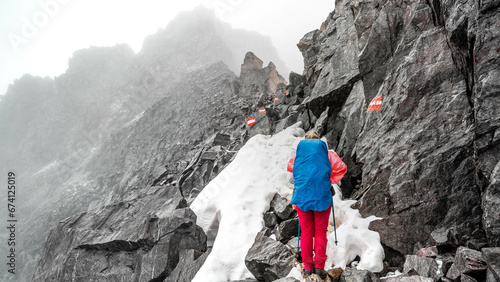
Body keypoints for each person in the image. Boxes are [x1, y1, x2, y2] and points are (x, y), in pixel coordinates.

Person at [287, 130, 346, 279]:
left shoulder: (298, 157)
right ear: (319, 141)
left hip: (302, 198)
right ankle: (319, 267)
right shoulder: (327, 155)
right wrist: (327, 179)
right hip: (322, 196)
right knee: (320, 232)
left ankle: (307, 268)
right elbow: (341, 168)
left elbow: (290, 179)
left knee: (306, 232)